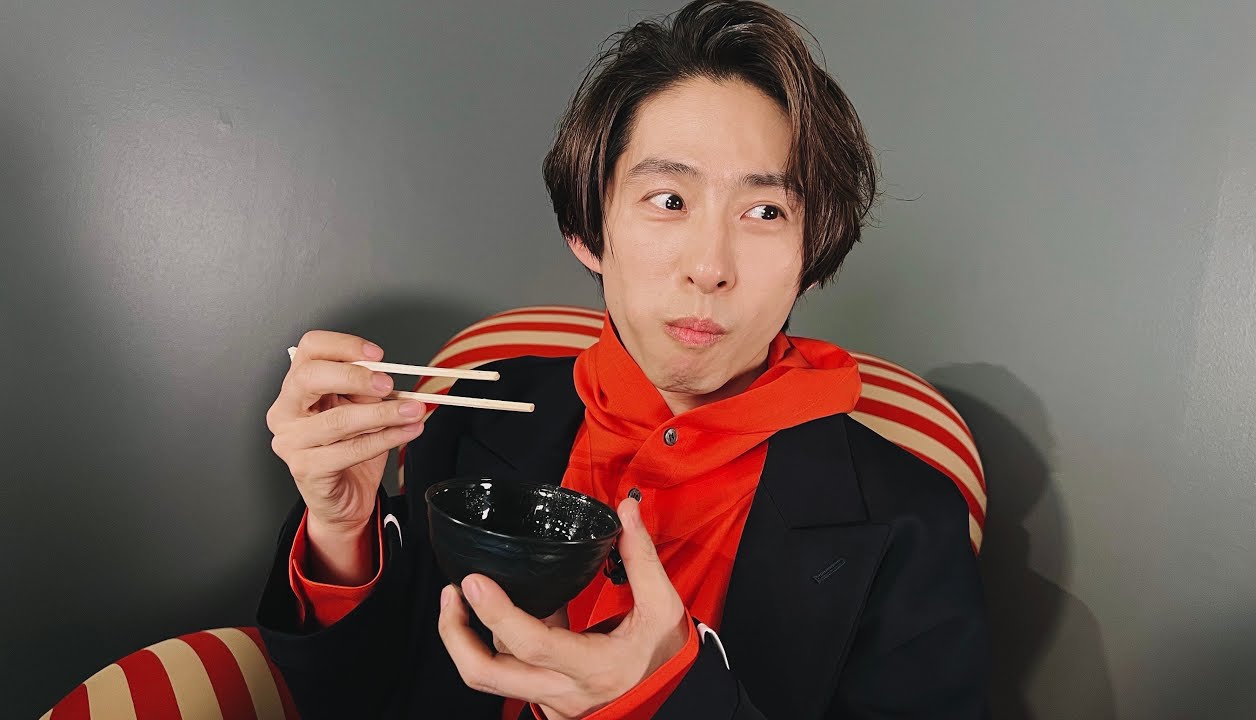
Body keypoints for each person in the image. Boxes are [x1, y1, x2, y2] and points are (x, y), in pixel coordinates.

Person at [258, 1, 989, 718]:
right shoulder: (470, 414)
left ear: (813, 256)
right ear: (589, 230)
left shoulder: (911, 521)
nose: (710, 268)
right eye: (668, 200)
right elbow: (364, 697)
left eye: (766, 212)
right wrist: (341, 533)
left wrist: (670, 696)